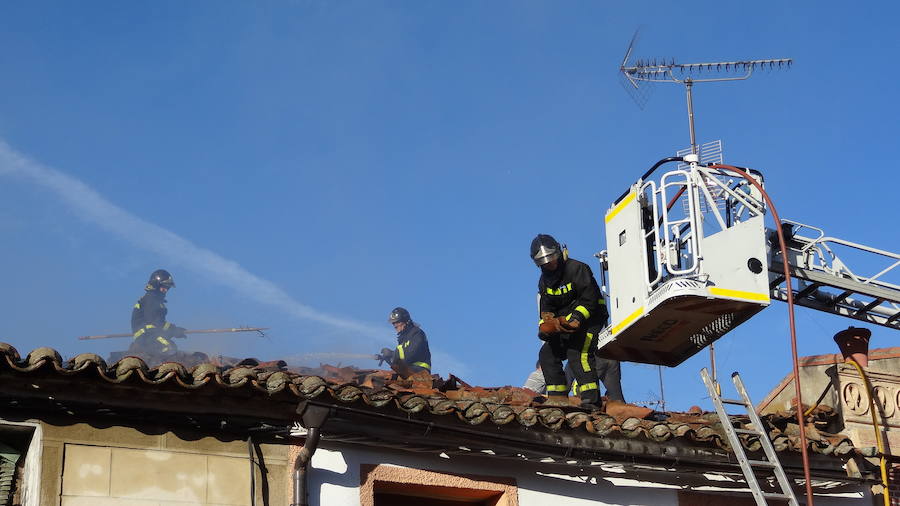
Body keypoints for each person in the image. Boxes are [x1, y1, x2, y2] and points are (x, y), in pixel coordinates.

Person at [532, 234, 607, 411]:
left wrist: (576, 319)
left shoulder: (578, 269)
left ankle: (591, 403)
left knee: (577, 353)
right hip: (564, 324)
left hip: (590, 320)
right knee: (547, 355)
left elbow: (590, 300)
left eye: (551, 259)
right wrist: (546, 326)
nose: (549, 265)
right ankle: (558, 400)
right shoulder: (545, 282)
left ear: (559, 253)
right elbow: (546, 307)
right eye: (544, 262)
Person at [130, 269, 187, 359]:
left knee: (172, 347)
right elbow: (155, 322)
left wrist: (173, 331)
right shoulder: (150, 299)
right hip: (146, 336)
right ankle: (159, 368)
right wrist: (174, 330)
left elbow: (158, 326)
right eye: (164, 287)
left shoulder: (154, 300)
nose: (165, 290)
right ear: (155, 285)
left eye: (167, 288)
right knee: (169, 348)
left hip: (151, 335)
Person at [377, 307, 431, 378]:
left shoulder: (417, 334)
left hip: (420, 371)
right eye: (393, 323)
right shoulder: (404, 338)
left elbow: (408, 356)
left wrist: (393, 355)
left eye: (397, 322)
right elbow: (400, 361)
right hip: (409, 370)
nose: (395, 325)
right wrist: (389, 357)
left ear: (406, 321)